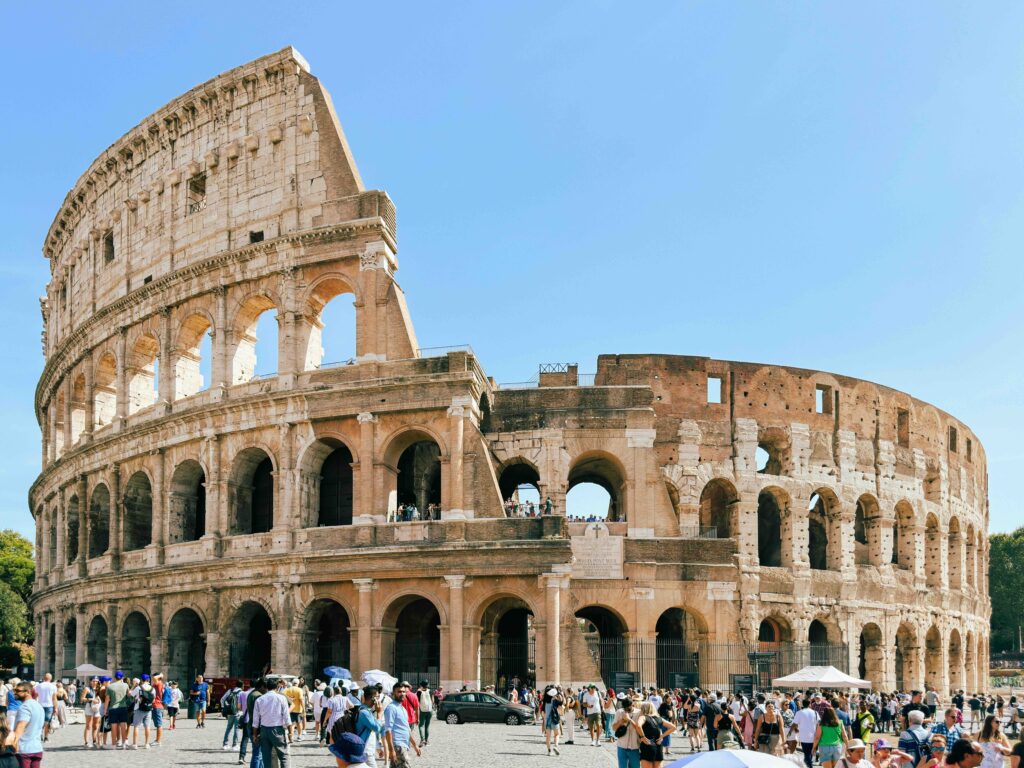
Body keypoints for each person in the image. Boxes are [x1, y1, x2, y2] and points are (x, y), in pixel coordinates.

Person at [253, 678, 290, 768]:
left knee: (267, 758)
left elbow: (255, 721)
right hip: (278, 729)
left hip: (264, 730)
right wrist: (291, 732)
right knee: (283, 756)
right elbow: (286, 717)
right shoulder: (281, 698)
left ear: (266, 687)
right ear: (277, 687)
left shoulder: (259, 700)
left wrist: (255, 735)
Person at [383, 682, 420, 767]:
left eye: (403, 692)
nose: (402, 694)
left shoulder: (402, 708)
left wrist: (415, 746)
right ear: (393, 693)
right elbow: (388, 730)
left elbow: (407, 729)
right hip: (398, 745)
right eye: (399, 692)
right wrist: (391, 750)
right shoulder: (391, 708)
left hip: (404, 744)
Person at [6, 682, 43, 767]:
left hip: (24, 750)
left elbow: (20, 728)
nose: (15, 693)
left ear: (28, 692)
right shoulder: (38, 705)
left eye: (18, 691)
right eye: (15, 690)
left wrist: (13, 747)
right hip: (37, 748)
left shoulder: (24, 707)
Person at [637, 699, 675, 768]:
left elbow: (638, 725)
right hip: (658, 745)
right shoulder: (659, 718)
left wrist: (642, 736)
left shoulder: (643, 717)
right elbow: (673, 727)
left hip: (647, 745)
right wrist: (662, 736)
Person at [613, 694, 643, 768]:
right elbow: (614, 728)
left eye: (628, 707)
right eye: (625, 708)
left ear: (632, 704)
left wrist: (629, 720)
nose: (626, 710)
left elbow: (639, 728)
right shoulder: (619, 712)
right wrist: (621, 721)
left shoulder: (639, 713)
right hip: (622, 746)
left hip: (635, 747)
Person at [816, 703, 850, 768]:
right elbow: (844, 736)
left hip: (824, 747)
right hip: (837, 747)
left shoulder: (821, 723)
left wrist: (814, 748)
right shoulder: (840, 722)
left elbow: (817, 737)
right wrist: (848, 746)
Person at [106, 670, 131, 748]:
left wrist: (105, 710)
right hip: (123, 707)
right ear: (122, 678)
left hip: (113, 708)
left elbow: (107, 699)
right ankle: (124, 743)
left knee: (113, 726)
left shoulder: (110, 686)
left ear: (114, 677)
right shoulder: (126, 685)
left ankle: (113, 744)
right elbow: (129, 694)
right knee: (123, 725)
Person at [130, 674, 156, 749]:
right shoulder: (152, 688)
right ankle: (147, 744)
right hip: (148, 709)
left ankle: (135, 744)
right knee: (147, 726)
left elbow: (130, 694)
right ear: (148, 680)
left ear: (142, 680)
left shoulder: (138, 688)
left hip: (139, 708)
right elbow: (153, 700)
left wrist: (134, 686)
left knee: (136, 726)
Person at [795, 698, 822, 768]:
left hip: (803, 737)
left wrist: (795, 729)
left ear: (802, 704)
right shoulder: (815, 713)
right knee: (809, 754)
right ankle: (808, 765)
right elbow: (819, 723)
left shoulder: (799, 712)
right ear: (809, 704)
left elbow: (794, 723)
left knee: (807, 754)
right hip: (813, 736)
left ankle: (809, 766)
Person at [32, 675, 56, 744]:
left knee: (40, 721)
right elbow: (54, 698)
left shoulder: (38, 686)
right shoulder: (53, 686)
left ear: (44, 678)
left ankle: (40, 735)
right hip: (49, 706)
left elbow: (35, 697)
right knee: (47, 722)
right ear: (51, 678)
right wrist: (56, 708)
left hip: (40, 705)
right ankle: (46, 737)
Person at [221, 680, 243, 751]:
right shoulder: (242, 693)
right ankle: (235, 745)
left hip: (230, 712)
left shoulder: (230, 690)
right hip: (238, 713)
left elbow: (222, 699)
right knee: (236, 729)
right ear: (242, 686)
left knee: (228, 728)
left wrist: (224, 708)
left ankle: (225, 744)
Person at [543, 687, 563, 756]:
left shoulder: (544, 702)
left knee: (548, 736)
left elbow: (543, 713)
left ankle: (549, 751)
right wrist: (559, 695)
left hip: (547, 720)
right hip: (554, 719)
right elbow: (562, 703)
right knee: (557, 734)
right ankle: (555, 746)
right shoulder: (554, 700)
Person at [82, 678, 100, 748]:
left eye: (96, 681)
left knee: (95, 725)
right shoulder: (87, 689)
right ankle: (86, 742)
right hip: (89, 707)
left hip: (97, 707)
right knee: (88, 725)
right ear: (90, 682)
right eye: (93, 681)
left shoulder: (99, 689)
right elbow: (82, 698)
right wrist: (91, 699)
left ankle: (94, 741)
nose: (95, 682)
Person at [150, 673, 166, 747]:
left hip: (157, 705)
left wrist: (160, 675)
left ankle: (158, 741)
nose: (153, 679)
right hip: (158, 706)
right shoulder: (159, 684)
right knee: (158, 724)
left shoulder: (158, 684)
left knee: (159, 724)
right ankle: (157, 740)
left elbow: (155, 678)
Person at [416, 681, 433, 747]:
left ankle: (422, 740)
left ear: (421, 685)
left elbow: (417, 701)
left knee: (421, 725)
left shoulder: (419, 692)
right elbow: (432, 701)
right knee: (427, 726)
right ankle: (426, 740)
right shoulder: (430, 691)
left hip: (422, 710)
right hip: (429, 711)